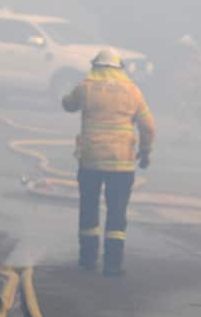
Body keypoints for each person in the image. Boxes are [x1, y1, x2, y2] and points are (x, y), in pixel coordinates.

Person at [62, 47, 155, 277]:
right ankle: (113, 264)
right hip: (121, 164)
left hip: (91, 161)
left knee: (89, 208)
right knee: (117, 211)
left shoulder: (86, 86)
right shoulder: (132, 91)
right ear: (119, 68)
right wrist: (145, 152)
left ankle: (88, 260)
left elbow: (68, 104)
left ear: (96, 66)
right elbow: (148, 126)